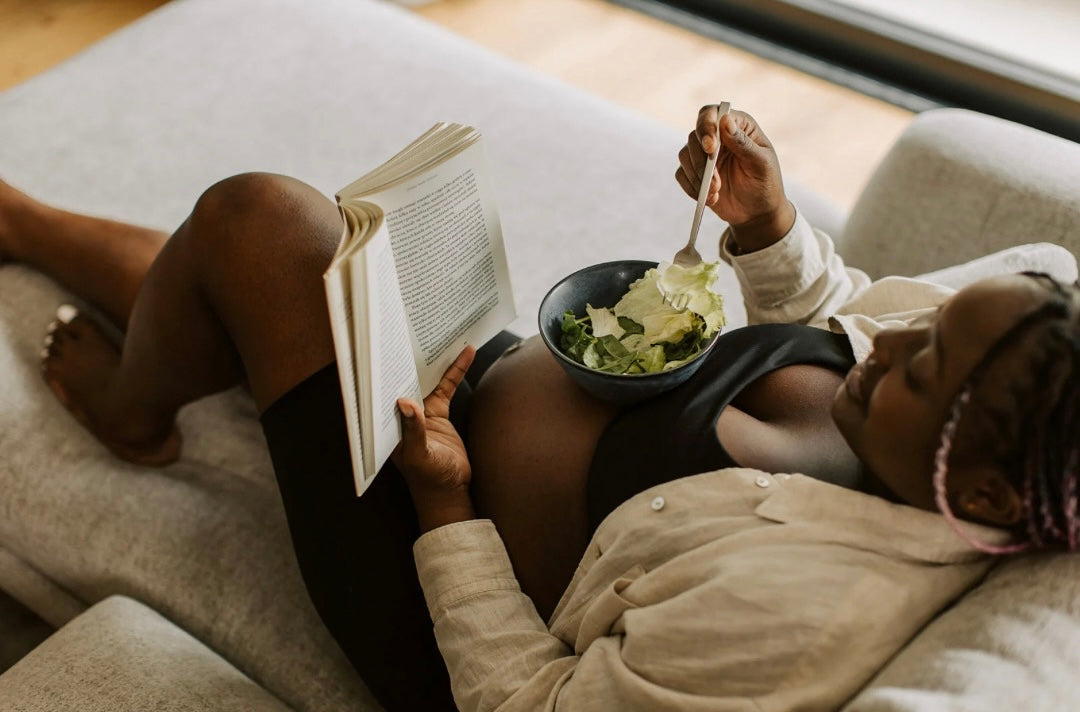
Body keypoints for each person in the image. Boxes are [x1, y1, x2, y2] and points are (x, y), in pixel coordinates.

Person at [1, 106, 1076, 712]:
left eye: (923, 366)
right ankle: (24, 223)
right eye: (931, 325)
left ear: (982, 495)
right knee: (304, 259)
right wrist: (766, 226)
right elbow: (850, 313)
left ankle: (131, 415)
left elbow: (533, 701)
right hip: (474, 401)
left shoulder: (803, 618)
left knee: (259, 223)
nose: (896, 341)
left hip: (430, 582)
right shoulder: (949, 399)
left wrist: (443, 502)